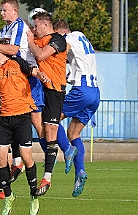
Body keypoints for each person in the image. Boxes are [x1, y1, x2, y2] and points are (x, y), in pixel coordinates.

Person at [0, 39, 50, 215]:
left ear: (0, 50)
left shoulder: (16, 61)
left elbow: (33, 70)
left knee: (26, 158)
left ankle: (33, 196)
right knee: (1, 159)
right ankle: (8, 196)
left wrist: (41, 75)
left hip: (22, 116)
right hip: (5, 119)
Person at [0, 0, 45, 181]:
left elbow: (13, 50)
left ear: (15, 11)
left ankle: (50, 154)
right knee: (11, 118)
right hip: (10, 74)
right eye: (1, 10)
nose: (1, 13)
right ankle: (16, 164)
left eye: (4, 10)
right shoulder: (4, 29)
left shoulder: (19, 25)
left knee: (35, 119)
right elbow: (3, 53)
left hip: (25, 75)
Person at [26, 11, 77, 196]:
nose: (34, 29)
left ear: (45, 25)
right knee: (37, 125)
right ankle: (48, 156)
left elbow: (39, 55)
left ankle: (47, 177)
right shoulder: (38, 38)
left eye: (36, 26)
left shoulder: (58, 40)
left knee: (50, 131)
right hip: (41, 88)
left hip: (55, 90)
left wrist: (30, 39)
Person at [53, 18, 100, 197]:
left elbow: (63, 49)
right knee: (73, 134)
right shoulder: (82, 37)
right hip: (95, 92)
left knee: (51, 119)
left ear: (61, 32)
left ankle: (67, 150)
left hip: (82, 91)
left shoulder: (69, 38)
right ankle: (80, 172)